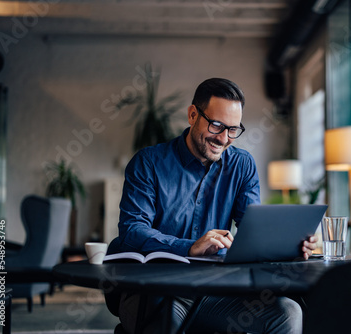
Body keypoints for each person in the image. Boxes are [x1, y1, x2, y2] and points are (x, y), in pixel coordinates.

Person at [115, 78, 318, 333]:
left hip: (214, 291)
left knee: (287, 312)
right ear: (192, 115)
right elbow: (132, 232)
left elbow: (252, 237)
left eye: (233, 129)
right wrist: (190, 247)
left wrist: (290, 247)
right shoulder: (148, 163)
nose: (224, 138)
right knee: (167, 319)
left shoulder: (242, 166)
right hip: (156, 289)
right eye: (216, 125)